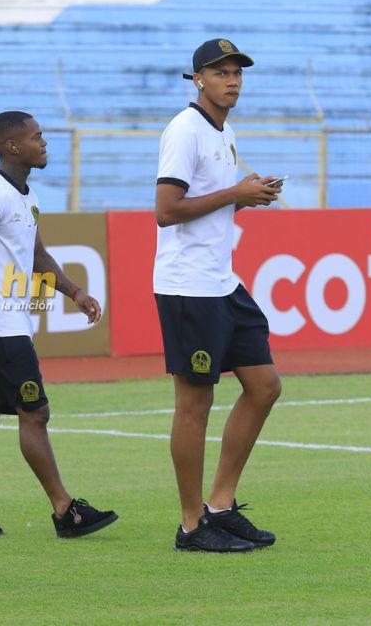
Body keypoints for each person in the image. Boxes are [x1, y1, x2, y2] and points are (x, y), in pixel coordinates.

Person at [0, 111, 118, 539]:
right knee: (35, 413)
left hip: (9, 322)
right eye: (37, 137)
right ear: (11, 146)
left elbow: (37, 258)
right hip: (0, 326)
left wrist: (75, 292)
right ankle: (65, 510)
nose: (44, 143)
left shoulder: (25, 195)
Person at [154, 38, 283, 552]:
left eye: (237, 73)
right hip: (189, 286)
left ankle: (221, 506)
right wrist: (234, 193)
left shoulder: (223, 131)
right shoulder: (183, 130)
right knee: (195, 404)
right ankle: (191, 526)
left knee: (265, 386)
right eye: (221, 72)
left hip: (221, 282)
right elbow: (166, 209)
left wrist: (247, 195)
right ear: (197, 80)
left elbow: (210, 206)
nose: (232, 80)